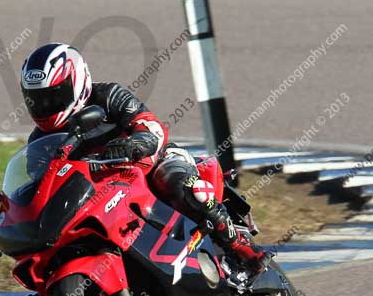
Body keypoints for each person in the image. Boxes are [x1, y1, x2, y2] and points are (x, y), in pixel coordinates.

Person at [20, 43, 271, 277]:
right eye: (37, 99)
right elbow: (45, 183)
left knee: (181, 185)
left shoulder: (108, 96)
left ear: (77, 81)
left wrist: (136, 143)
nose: (46, 106)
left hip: (152, 163)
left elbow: (152, 127)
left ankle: (241, 248)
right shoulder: (39, 141)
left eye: (54, 96)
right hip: (105, 194)